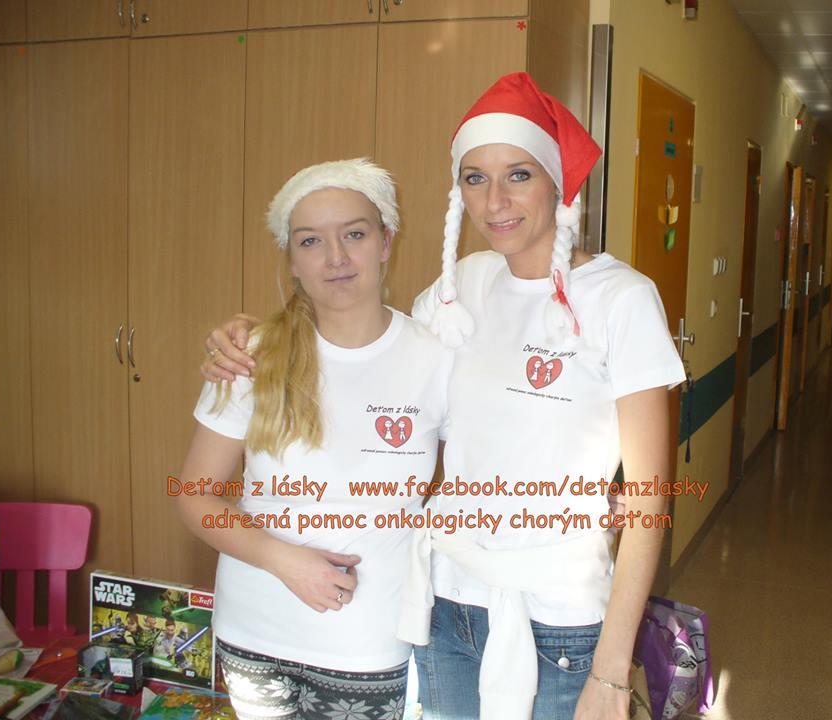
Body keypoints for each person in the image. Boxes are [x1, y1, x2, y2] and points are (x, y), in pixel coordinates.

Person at [202, 73, 685, 720]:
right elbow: (370, 351)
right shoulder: (463, 285)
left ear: (556, 182)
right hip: (446, 605)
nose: (495, 201)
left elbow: (650, 499)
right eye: (474, 178)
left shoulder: (620, 299)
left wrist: (612, 671)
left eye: (518, 175)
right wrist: (254, 338)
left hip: (560, 621)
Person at [176, 159, 450, 720]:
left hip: (369, 642)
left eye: (355, 234)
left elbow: (493, 462)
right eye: (311, 241)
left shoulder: (436, 359)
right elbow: (194, 497)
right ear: (293, 260)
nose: (336, 257)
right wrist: (285, 561)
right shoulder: (251, 356)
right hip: (253, 635)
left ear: (386, 242)